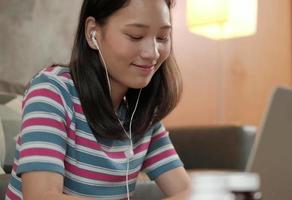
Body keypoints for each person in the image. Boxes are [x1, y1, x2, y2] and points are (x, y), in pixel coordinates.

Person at [5, 0, 191, 199]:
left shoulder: (142, 113)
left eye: (163, 37)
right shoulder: (52, 90)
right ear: (93, 33)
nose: (153, 52)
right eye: (135, 36)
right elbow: (41, 196)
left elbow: (186, 192)